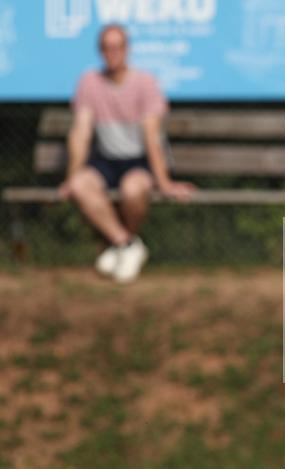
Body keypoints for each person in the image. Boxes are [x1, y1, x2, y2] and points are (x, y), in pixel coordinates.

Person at [58, 24, 195, 284]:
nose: (113, 52)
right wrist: (71, 176)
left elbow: (152, 138)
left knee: (133, 189)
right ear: (100, 51)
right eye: (107, 47)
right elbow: (81, 133)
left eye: (118, 46)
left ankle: (119, 248)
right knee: (79, 185)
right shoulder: (89, 82)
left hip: (139, 160)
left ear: (127, 49)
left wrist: (164, 183)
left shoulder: (146, 83)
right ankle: (127, 244)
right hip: (106, 159)